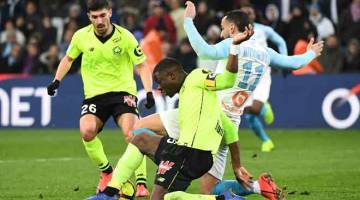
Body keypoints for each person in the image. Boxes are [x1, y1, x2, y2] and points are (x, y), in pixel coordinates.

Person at [136, 2, 323, 199]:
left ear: (232, 28)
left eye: (224, 27)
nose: (222, 31)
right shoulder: (265, 53)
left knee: (139, 130)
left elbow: (204, 51)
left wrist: (188, 21)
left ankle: (137, 182)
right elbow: (293, 63)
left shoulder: (232, 45)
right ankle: (259, 187)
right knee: (209, 190)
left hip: (206, 116)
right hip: (230, 123)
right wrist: (311, 53)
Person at [86, 20, 256, 200]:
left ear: (172, 76)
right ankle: (109, 193)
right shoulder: (198, 100)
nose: (160, 88)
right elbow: (229, 128)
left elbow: (228, 81)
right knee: (142, 141)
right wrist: (236, 165)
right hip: (187, 153)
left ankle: (222, 199)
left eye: (160, 82)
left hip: (192, 154)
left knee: (159, 198)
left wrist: (235, 47)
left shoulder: (197, 77)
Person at [46, 0, 154, 197]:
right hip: (95, 96)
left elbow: (142, 65)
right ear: (89, 17)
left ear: (110, 13)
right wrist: (56, 80)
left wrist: (148, 91)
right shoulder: (81, 36)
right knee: (87, 132)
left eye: (103, 15)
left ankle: (140, 183)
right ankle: (106, 172)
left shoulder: (125, 37)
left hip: (123, 93)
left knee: (133, 134)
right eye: (95, 17)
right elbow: (68, 59)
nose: (99, 20)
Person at [240, 3, 289, 152]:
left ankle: (263, 108)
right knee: (248, 115)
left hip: (262, 74)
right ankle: (266, 141)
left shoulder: (264, 30)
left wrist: (284, 61)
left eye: (250, 12)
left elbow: (281, 42)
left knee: (254, 109)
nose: (248, 14)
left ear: (255, 15)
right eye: (244, 13)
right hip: (245, 76)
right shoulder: (236, 34)